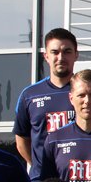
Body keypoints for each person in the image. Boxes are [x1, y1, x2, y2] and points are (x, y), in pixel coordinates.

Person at [14, 27, 80, 172]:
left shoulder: (86, 93)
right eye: (55, 52)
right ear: (46, 56)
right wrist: (40, 166)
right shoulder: (29, 95)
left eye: (67, 52)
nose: (61, 58)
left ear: (76, 55)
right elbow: (21, 140)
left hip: (79, 179)